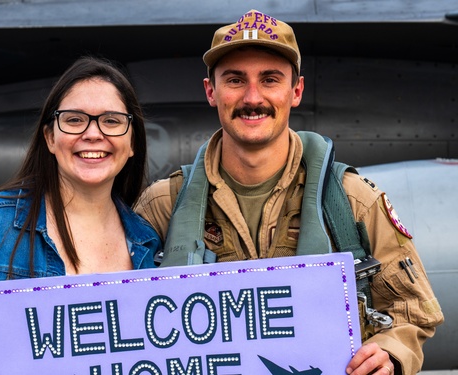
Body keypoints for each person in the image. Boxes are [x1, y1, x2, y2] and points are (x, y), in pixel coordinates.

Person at [134, 9, 443, 375]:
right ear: (210, 92)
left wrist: (388, 354)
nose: (253, 97)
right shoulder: (163, 206)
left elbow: (413, 310)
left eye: (270, 79)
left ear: (295, 91)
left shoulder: (352, 200)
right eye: (235, 80)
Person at [0, 56, 161, 375]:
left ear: (132, 141)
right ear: (50, 137)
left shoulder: (148, 245)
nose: (93, 134)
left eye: (111, 120)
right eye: (75, 119)